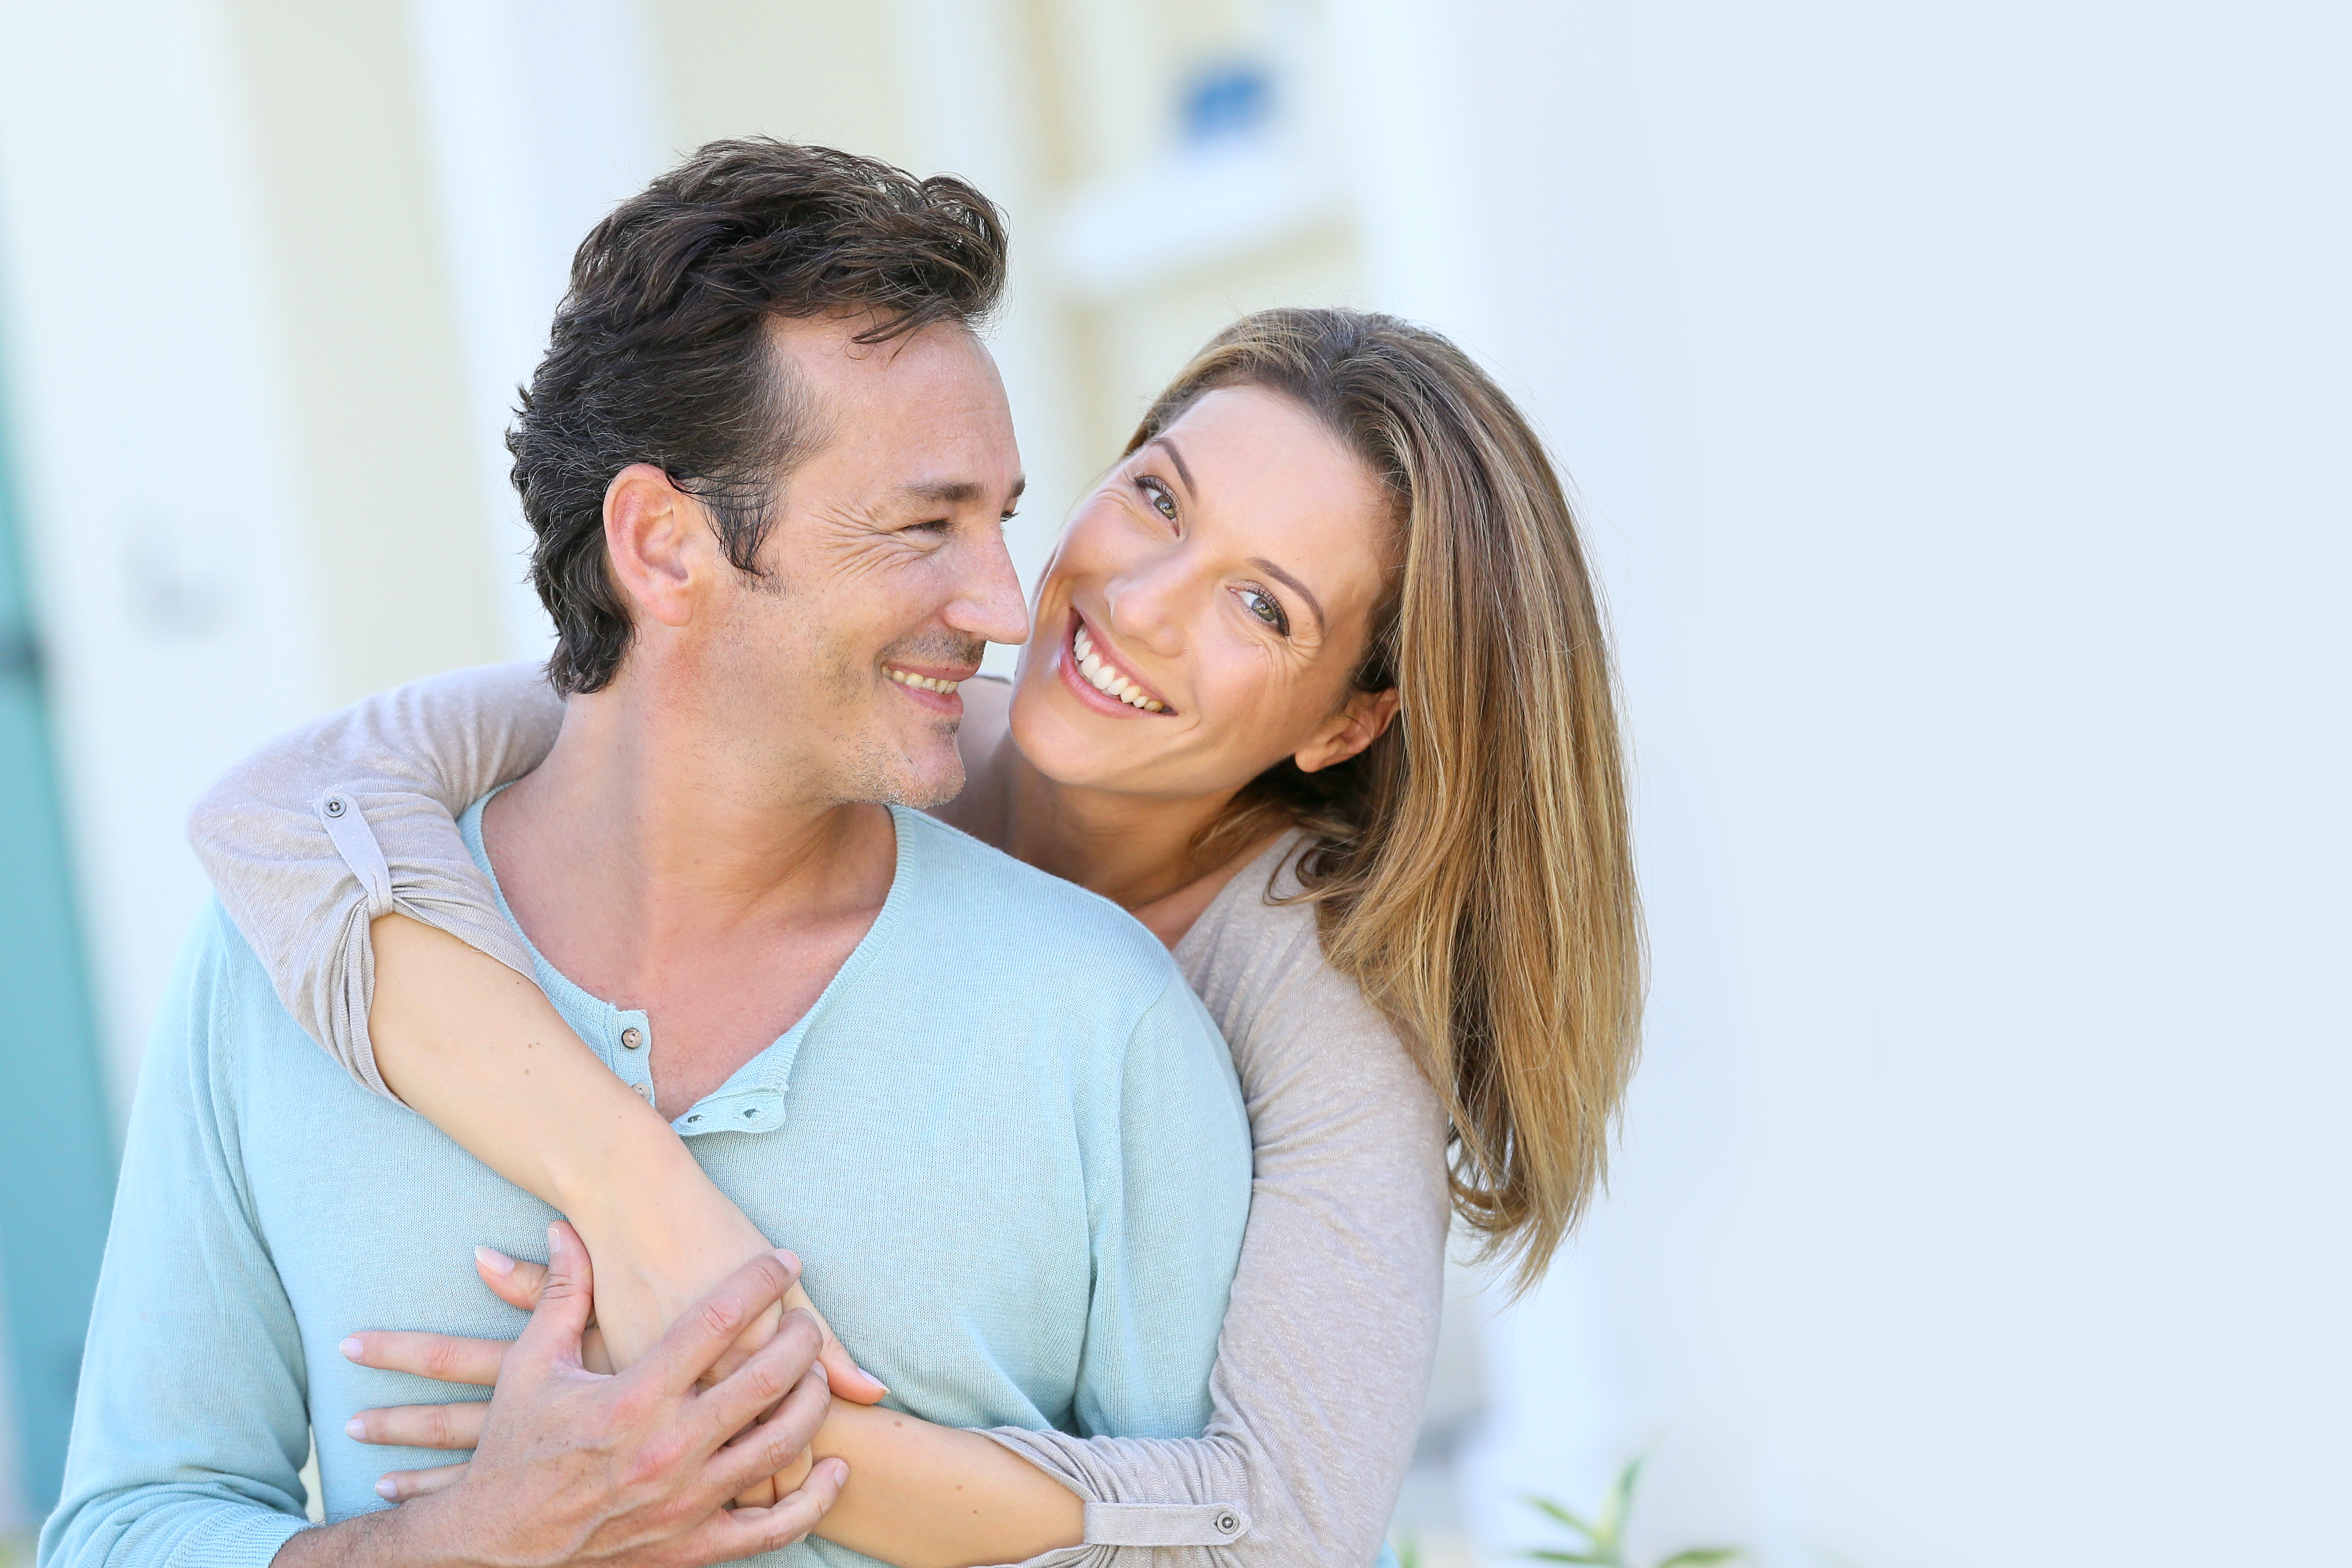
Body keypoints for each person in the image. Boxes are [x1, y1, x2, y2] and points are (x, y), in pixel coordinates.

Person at [180, 290, 1646, 1567]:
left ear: (1348, 720)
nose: (1135, 604)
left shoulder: (1312, 1007)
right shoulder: (871, 733)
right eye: (1157, 497)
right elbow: (288, 811)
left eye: (1259, 608)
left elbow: (1281, 1533)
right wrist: (639, 1199)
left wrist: (688, 1419)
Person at [40, 142, 1256, 1568]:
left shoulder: (1102, 1026)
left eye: (1000, 521)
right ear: (664, 546)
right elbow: (120, 1527)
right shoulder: (287, 976)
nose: (1001, 603)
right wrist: (483, 1540)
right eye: (926, 525)